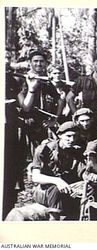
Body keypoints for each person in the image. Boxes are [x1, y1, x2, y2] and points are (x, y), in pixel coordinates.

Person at [30, 121, 97, 220]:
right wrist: (58, 181)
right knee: (56, 189)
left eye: (75, 136)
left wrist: (91, 176)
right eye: (68, 136)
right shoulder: (44, 150)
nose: (72, 140)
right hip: (45, 189)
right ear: (60, 135)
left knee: (89, 186)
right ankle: (54, 220)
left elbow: (82, 171)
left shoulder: (75, 151)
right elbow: (36, 177)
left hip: (67, 187)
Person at [17, 50, 64, 147]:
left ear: (46, 63)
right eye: (35, 61)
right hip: (26, 123)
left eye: (41, 61)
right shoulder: (22, 80)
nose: (39, 64)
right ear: (30, 63)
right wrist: (31, 88)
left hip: (43, 124)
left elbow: (60, 100)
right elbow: (25, 107)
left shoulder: (46, 81)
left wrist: (54, 120)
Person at [3, 50, 24, 219]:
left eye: (8, 58)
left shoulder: (12, 80)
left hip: (9, 130)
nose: (5, 61)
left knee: (10, 164)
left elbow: (23, 105)